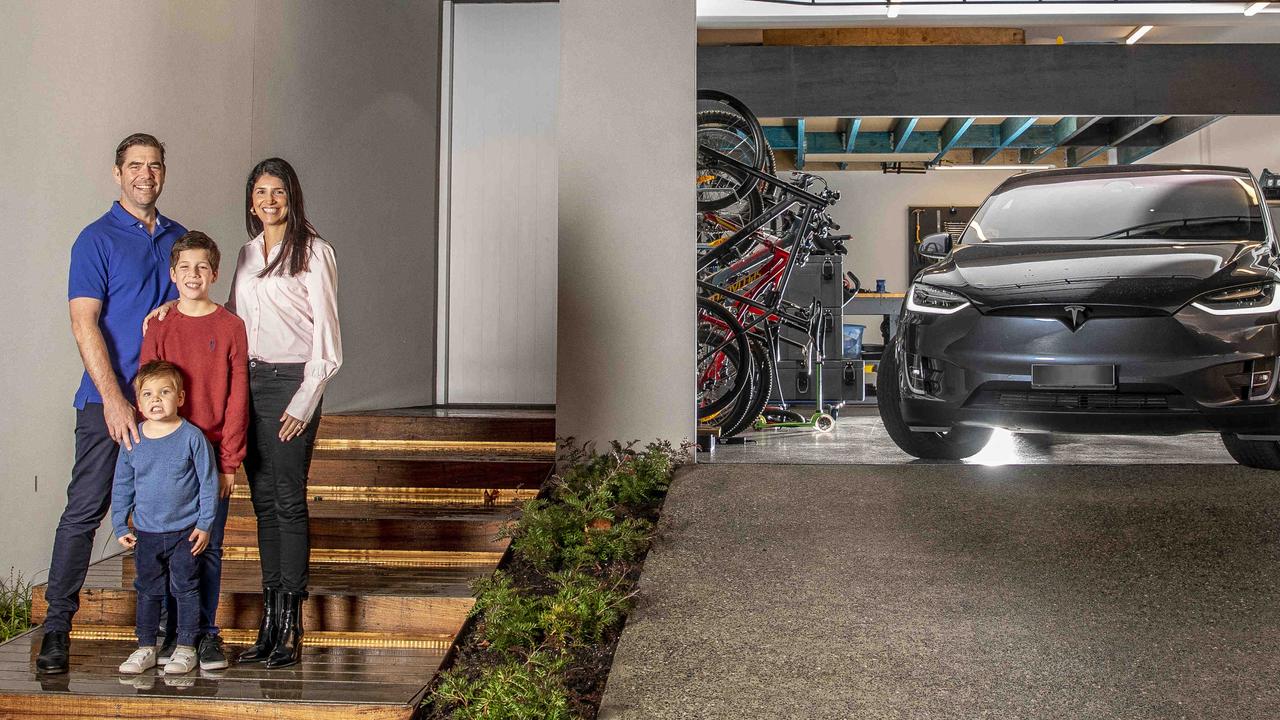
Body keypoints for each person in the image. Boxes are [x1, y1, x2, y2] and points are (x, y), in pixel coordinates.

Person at [38, 133, 187, 674]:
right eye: (134, 166)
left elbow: (193, 306)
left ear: (163, 172)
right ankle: (56, 629)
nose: (145, 174)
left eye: (154, 165)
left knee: (171, 516)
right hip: (108, 402)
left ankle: (177, 633)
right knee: (84, 513)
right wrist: (114, 400)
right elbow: (84, 322)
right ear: (117, 173)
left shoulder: (179, 238)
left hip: (167, 410)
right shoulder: (94, 239)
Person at [231, 158, 341, 668]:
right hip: (248, 383)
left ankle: (291, 625)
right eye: (260, 192)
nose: (269, 200)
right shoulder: (246, 254)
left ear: (291, 197)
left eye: (278, 191)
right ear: (251, 200)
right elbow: (233, 325)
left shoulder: (315, 252)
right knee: (262, 503)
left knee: (289, 501)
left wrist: (305, 398)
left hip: (291, 380)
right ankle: (268, 624)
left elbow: (328, 337)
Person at [139, 231, 249, 671]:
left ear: (215, 273)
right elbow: (145, 391)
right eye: (184, 267)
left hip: (211, 457)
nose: (193, 275)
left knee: (208, 547)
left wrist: (230, 461)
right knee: (163, 548)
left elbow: (238, 397)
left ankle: (205, 635)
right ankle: (170, 634)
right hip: (165, 459)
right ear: (172, 274)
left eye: (202, 267)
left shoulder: (230, 327)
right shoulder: (160, 325)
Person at [112, 361, 218, 676]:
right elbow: (122, 485)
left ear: (180, 398)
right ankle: (146, 646)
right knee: (148, 588)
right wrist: (120, 523)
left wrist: (205, 523)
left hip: (185, 532)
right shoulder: (133, 438)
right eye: (147, 394)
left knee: (185, 587)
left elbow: (208, 482)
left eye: (164, 392)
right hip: (145, 533)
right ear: (138, 402)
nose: (156, 400)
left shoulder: (192, 437)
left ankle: (186, 646)